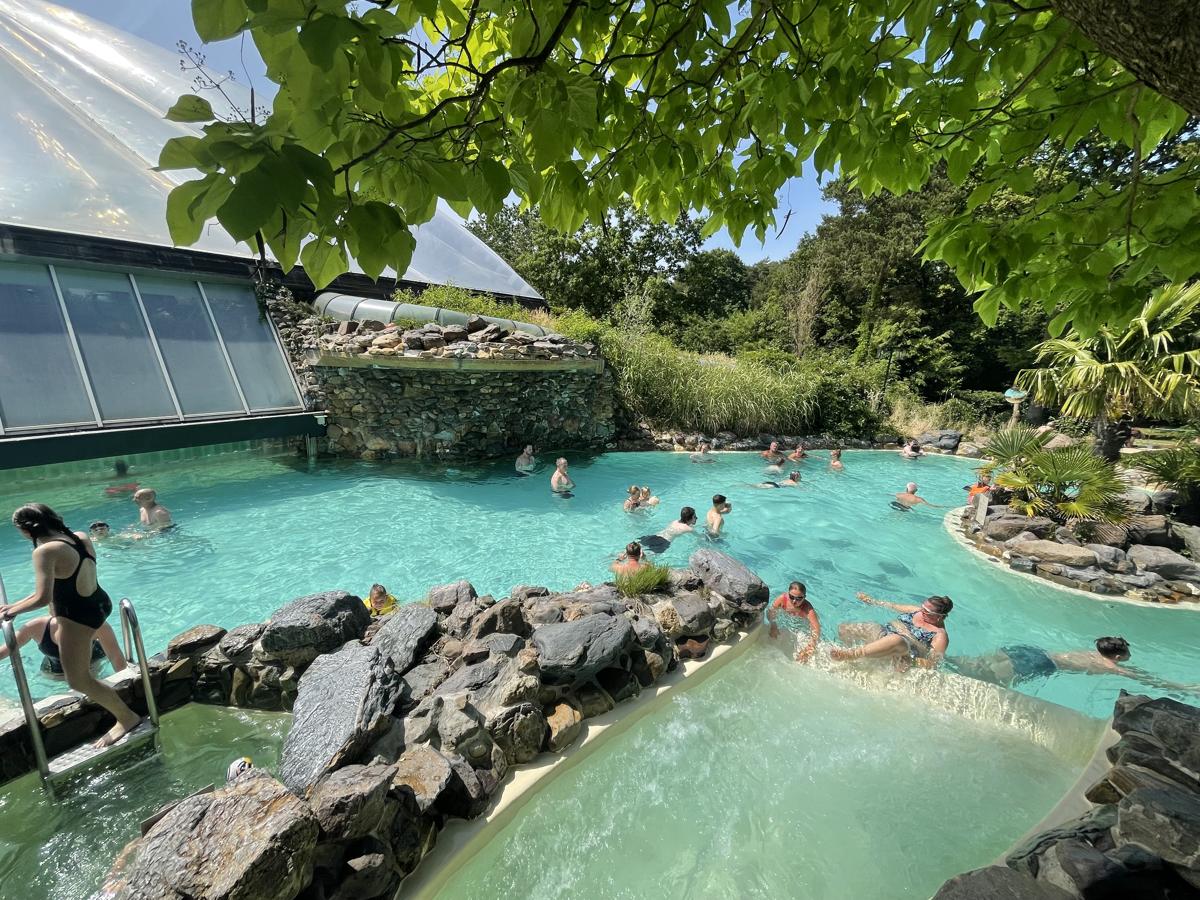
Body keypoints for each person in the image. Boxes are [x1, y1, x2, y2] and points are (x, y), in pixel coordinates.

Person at [1, 504, 142, 747]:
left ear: (25, 530)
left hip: (77, 617)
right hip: (99, 603)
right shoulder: (79, 537)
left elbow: (43, 598)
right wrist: (12, 605)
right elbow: (59, 584)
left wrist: (12, 612)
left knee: (77, 680)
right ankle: (122, 708)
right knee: (83, 672)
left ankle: (126, 718)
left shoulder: (45, 551)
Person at [947, 637, 1198, 693]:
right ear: (1119, 656)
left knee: (979, 663)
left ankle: (945, 659)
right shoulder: (1111, 666)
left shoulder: (1091, 651)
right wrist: (1182, 688)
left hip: (1032, 651)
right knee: (990, 677)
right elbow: (1147, 679)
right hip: (1041, 662)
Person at [831, 592, 952, 667]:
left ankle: (851, 654)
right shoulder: (916, 611)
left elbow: (932, 663)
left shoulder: (940, 635)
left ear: (939, 617)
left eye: (926, 611)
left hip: (902, 650)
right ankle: (853, 658)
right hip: (884, 634)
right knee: (844, 628)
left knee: (896, 639)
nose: (921, 611)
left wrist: (911, 662)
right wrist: (871, 601)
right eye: (922, 607)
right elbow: (892, 606)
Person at [0, 613, 124, 677]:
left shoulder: (96, 623)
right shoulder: (37, 627)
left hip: (94, 664)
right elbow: (3, 652)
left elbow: (115, 657)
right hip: (55, 673)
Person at [767, 581, 822, 663]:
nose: (794, 601)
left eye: (799, 598)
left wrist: (810, 646)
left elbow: (816, 628)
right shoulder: (782, 599)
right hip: (786, 620)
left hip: (801, 626)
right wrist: (773, 625)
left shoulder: (807, 608)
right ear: (788, 594)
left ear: (804, 597)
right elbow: (770, 611)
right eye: (791, 597)